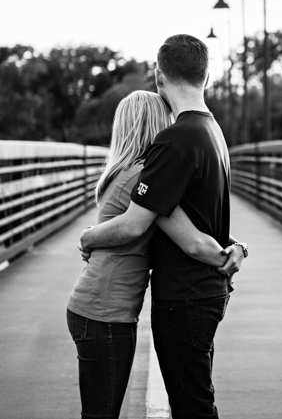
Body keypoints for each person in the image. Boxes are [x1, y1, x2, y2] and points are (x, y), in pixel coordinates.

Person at [80, 34, 242, 419]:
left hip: (185, 296)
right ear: (207, 75)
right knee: (194, 401)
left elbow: (136, 224)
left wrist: (88, 237)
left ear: (159, 77)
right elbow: (198, 215)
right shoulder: (213, 131)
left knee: (192, 407)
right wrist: (236, 247)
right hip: (206, 290)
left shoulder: (175, 139)